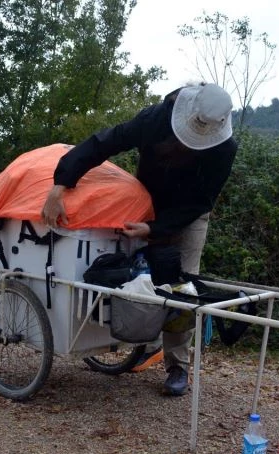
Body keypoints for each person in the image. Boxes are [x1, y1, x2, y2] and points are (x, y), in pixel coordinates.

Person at [41, 82, 238, 396]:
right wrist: (61, 183)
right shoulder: (156, 118)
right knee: (138, 275)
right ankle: (145, 342)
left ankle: (178, 366)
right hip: (143, 200)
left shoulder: (224, 149)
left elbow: (201, 201)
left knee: (181, 288)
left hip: (188, 215)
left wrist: (156, 229)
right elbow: (105, 142)